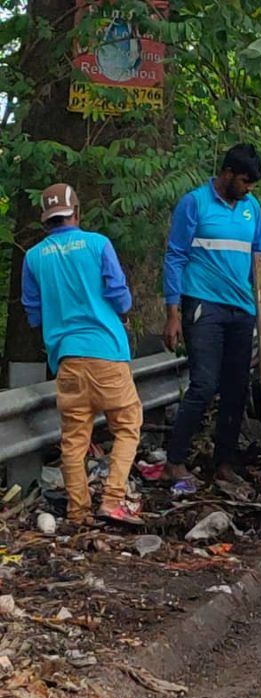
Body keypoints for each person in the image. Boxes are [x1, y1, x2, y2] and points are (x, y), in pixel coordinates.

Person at [21, 184, 144, 526]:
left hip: (67, 360)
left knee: (73, 440)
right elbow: (120, 296)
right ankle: (113, 500)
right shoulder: (98, 244)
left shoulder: (33, 258)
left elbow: (33, 313)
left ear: (46, 219)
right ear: (77, 211)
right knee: (128, 425)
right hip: (106, 352)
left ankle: (78, 512)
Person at [162, 144, 261, 495]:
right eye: (244, 181)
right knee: (205, 384)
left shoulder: (252, 208)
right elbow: (176, 256)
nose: (248, 188)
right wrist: (173, 312)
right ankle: (174, 460)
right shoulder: (194, 203)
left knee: (237, 389)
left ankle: (224, 464)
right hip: (204, 306)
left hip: (242, 310)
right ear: (226, 174)